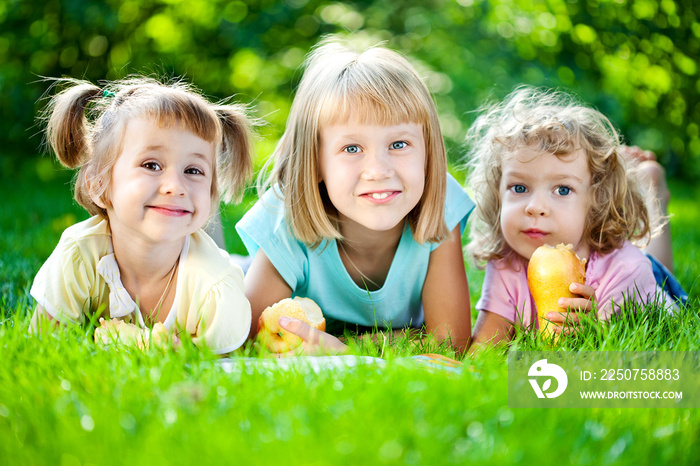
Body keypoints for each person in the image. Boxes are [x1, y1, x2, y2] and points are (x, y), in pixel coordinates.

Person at [236, 38, 474, 355]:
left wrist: (346, 346)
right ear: (315, 161)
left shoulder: (441, 203)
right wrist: (407, 339)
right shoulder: (286, 217)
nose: (378, 170)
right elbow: (247, 341)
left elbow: (450, 341)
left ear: (428, 153)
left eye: (399, 144)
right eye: (352, 148)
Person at [30, 77, 254, 354]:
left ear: (211, 194)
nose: (175, 186)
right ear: (98, 183)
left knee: (245, 268)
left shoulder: (216, 290)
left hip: (231, 269)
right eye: (151, 165)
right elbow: (42, 347)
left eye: (193, 170)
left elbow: (228, 371)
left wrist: (182, 355)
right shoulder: (78, 256)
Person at [464, 86, 687, 350]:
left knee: (656, 257)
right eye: (519, 188)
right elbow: (485, 346)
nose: (535, 208)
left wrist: (592, 329)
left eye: (562, 190)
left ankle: (653, 191)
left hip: (647, 280)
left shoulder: (627, 270)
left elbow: (629, 348)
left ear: (596, 201)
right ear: (498, 193)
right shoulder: (505, 262)